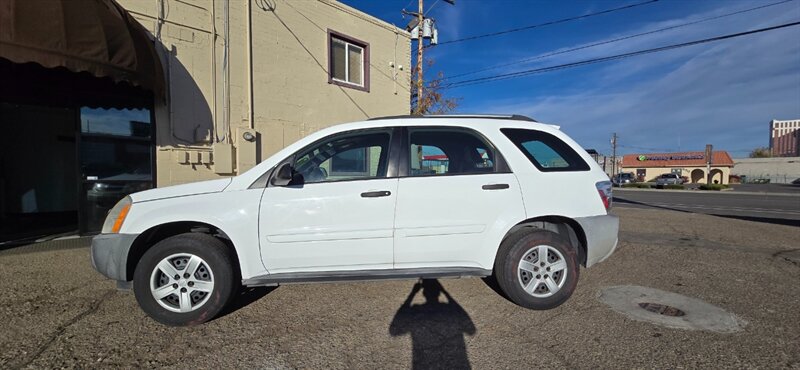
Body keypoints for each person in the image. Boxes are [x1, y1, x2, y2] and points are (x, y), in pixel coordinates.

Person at [389, 279, 476, 369]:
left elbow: (394, 331)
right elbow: (471, 330)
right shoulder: (447, 309)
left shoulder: (417, 310)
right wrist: (446, 293)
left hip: (423, 364)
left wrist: (413, 293)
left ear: (424, 294)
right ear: (439, 293)